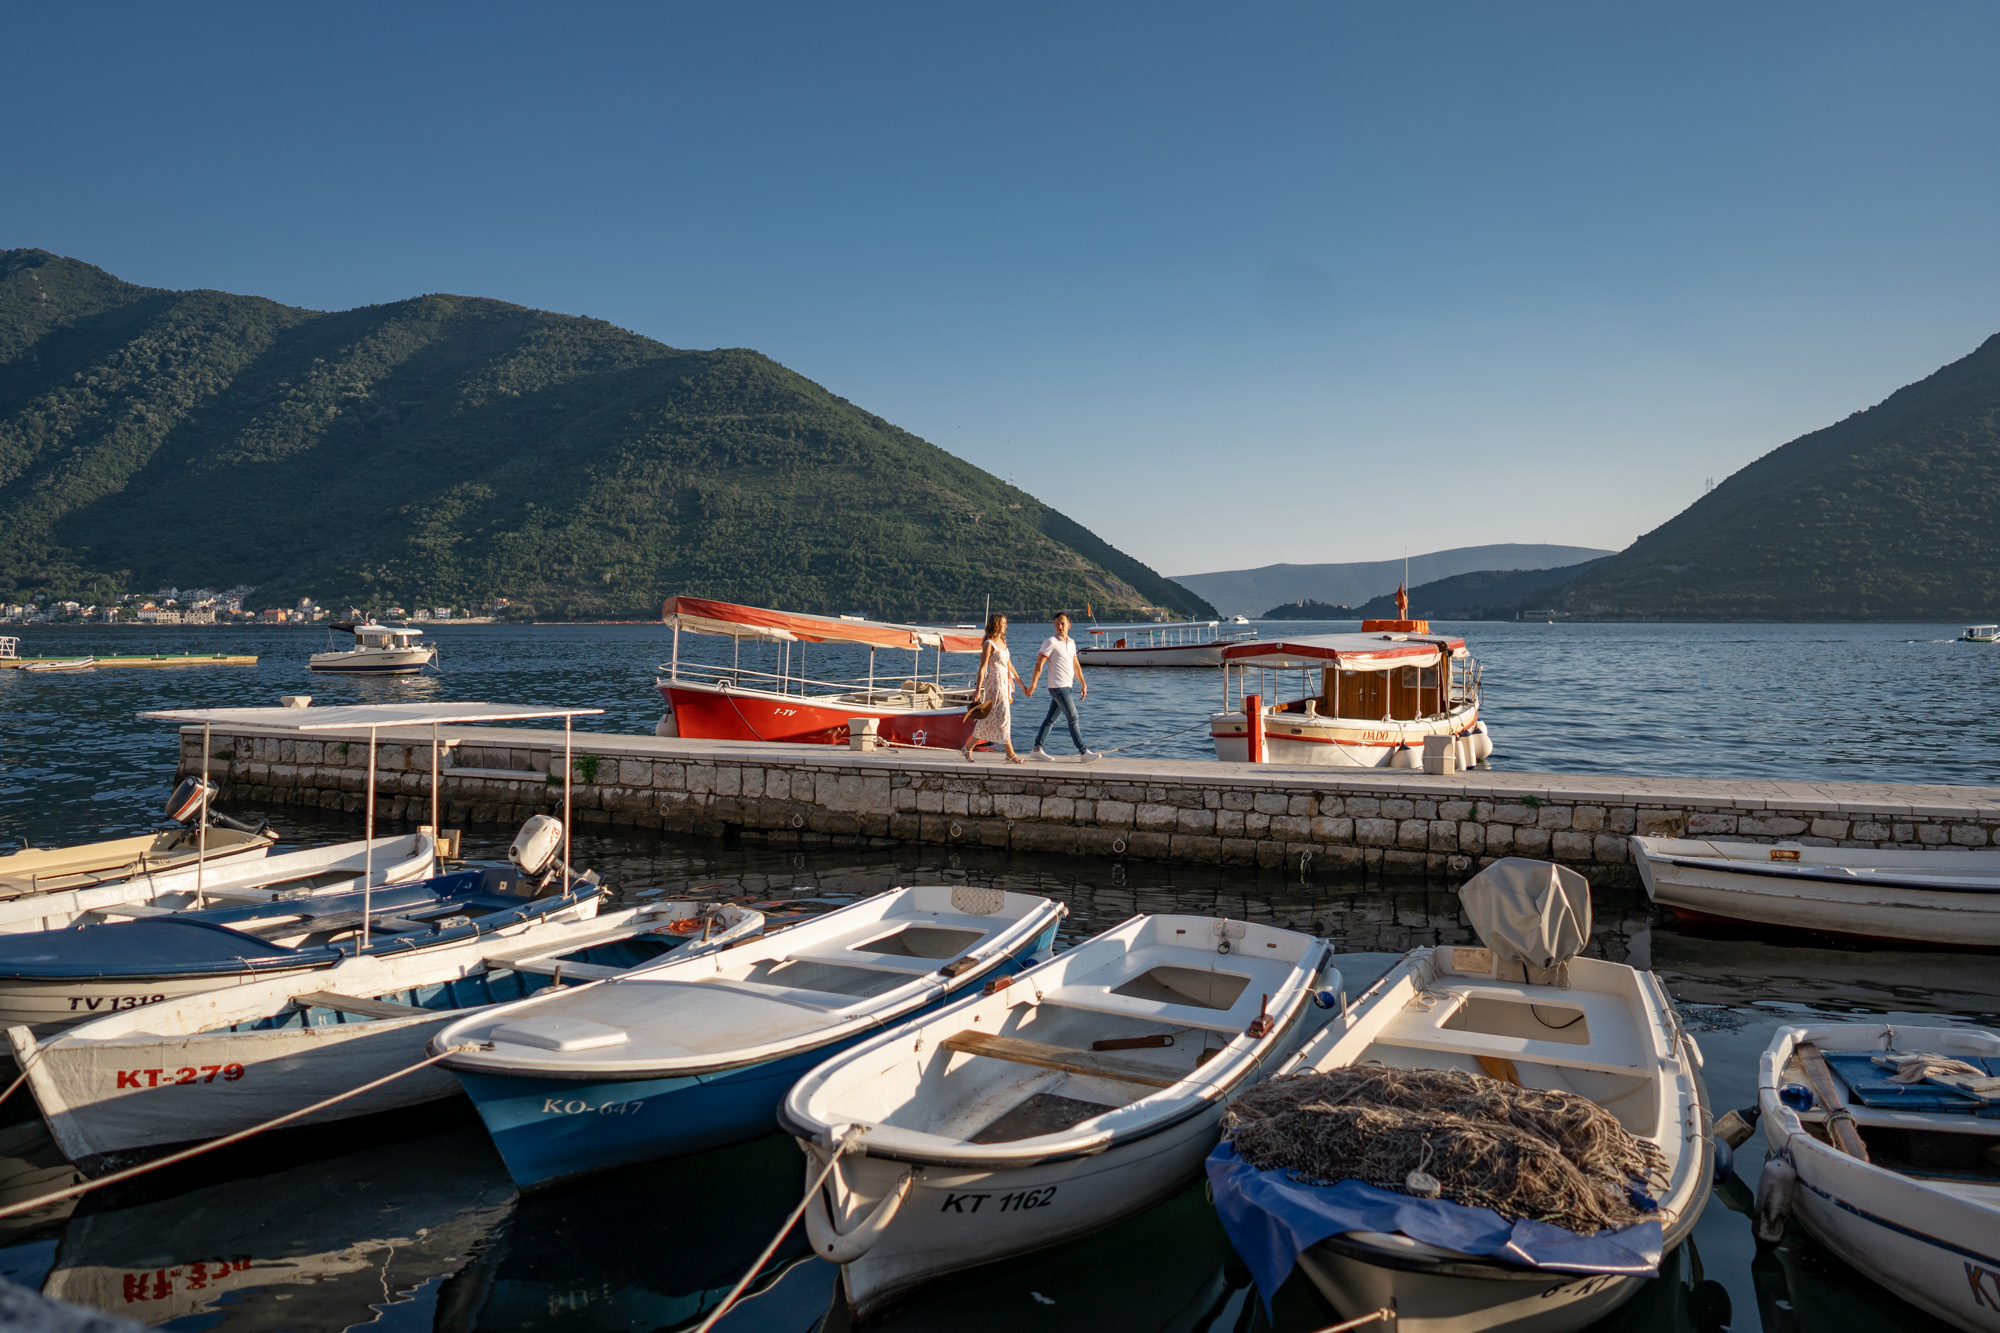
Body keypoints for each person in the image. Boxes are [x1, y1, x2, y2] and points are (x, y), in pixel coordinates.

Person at [1027, 612, 1100, 761]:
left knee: (1050, 719)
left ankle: (1036, 748)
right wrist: (1033, 684)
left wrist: (1083, 683)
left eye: (1062, 623)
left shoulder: (1071, 643)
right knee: (1073, 717)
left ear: (1069, 625)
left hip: (1068, 687)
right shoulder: (1050, 642)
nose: (1060, 626)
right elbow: (1038, 665)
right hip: (1057, 687)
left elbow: (1075, 665)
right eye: (1057, 624)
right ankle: (1083, 751)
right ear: (1054, 625)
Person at [961, 613, 1028, 763]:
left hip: (1005, 682)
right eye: (1003, 623)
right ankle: (1010, 754)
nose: (1006, 626)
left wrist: (1021, 683)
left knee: (989, 717)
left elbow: (1009, 665)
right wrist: (978, 690)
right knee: (1004, 716)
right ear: (996, 624)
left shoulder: (1003, 643)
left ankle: (968, 748)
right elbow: (983, 668)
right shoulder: (989, 644)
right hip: (996, 683)